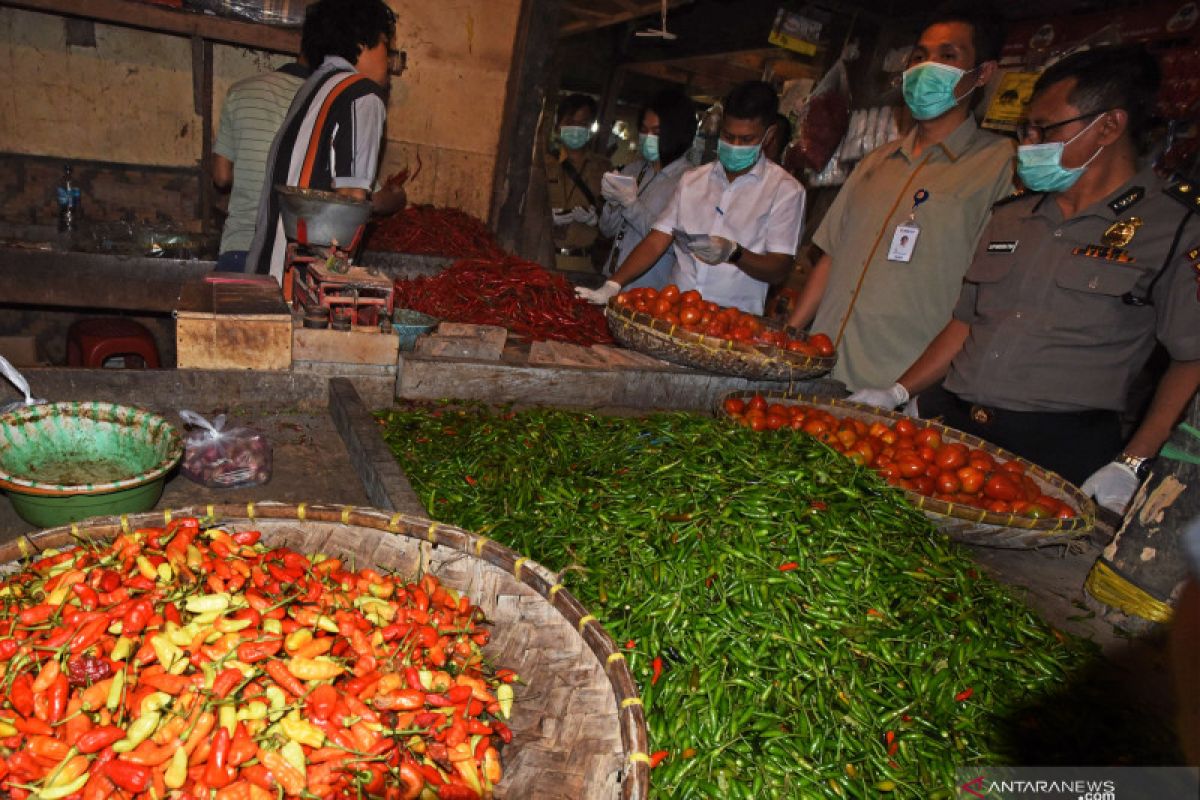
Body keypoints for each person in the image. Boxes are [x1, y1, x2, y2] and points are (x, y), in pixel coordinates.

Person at [849, 46, 1200, 512]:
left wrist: (1133, 462)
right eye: (1026, 128)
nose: (1029, 142)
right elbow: (966, 322)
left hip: (1055, 456)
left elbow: (1191, 359)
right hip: (951, 437)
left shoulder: (1171, 228)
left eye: (1044, 129)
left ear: (1109, 126)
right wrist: (898, 390)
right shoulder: (1013, 216)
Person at [786, 9, 1015, 391]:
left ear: (984, 73)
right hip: (815, 371)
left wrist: (900, 392)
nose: (928, 67)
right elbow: (831, 256)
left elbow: (984, 302)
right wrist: (790, 335)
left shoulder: (1000, 167)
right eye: (919, 56)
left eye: (948, 56)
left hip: (893, 389)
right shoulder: (876, 162)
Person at [577, 81, 804, 315]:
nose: (735, 145)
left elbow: (779, 267)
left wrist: (735, 253)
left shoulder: (785, 191)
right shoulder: (693, 180)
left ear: (769, 135)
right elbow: (657, 240)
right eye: (728, 136)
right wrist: (614, 284)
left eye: (746, 139)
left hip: (732, 320)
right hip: (675, 311)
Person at [246, 0, 404, 280]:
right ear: (362, 42)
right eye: (384, 45)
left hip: (262, 269)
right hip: (296, 283)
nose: (388, 61)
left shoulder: (314, 86)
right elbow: (350, 201)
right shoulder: (363, 96)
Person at [212, 56, 311, 272]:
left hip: (240, 246)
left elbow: (221, 176)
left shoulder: (240, 91)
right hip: (292, 261)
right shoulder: (326, 100)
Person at [597, 88, 695, 290]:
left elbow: (670, 243)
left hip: (647, 293)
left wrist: (632, 205)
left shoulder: (688, 181)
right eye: (644, 130)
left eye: (657, 132)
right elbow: (607, 230)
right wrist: (613, 203)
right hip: (611, 280)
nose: (647, 137)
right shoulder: (634, 169)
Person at [547, 93, 610, 273]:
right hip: (543, 258)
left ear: (591, 128)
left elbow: (615, 220)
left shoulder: (604, 168)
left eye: (582, 124)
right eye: (570, 122)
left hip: (583, 263)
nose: (576, 129)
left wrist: (597, 220)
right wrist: (545, 217)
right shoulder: (543, 164)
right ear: (558, 126)